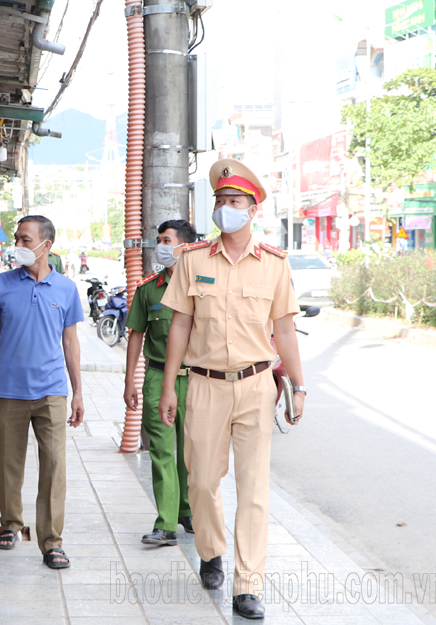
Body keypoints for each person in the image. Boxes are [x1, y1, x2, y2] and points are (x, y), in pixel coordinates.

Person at [158, 159, 306, 620]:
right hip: (202, 386)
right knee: (202, 482)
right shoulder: (194, 260)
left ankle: (248, 584)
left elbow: (284, 331)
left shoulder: (275, 266)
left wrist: (298, 387)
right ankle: (210, 550)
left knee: (254, 488)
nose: (226, 208)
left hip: (257, 384)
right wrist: (168, 386)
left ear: (253, 209)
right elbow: (180, 325)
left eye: (234, 202)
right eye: (220, 201)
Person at [0, 215, 85, 570]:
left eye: (25, 240)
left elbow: (70, 341)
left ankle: (51, 541)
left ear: (46, 245)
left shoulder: (67, 289)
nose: (18, 246)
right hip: (8, 388)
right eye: (17, 239)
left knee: (54, 465)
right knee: (9, 462)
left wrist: (78, 391)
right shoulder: (1, 284)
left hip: (52, 391)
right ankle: (10, 524)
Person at [123, 219, 198, 547]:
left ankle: (188, 510)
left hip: (198, 378)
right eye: (159, 240)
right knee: (163, 450)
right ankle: (166, 523)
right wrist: (130, 381)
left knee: (193, 452)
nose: (160, 246)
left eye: (166, 240)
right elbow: (136, 336)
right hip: (157, 377)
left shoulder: (202, 285)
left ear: (185, 245)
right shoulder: (148, 288)